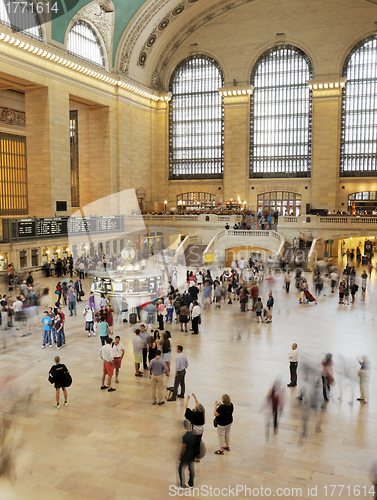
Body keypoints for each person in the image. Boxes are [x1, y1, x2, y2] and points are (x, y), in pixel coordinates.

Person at [185, 394, 205, 462]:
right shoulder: (202, 412)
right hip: (201, 429)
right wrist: (195, 398)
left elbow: (186, 407)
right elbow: (199, 406)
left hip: (195, 430)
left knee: (193, 443)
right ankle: (197, 456)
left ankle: (193, 455)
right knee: (198, 442)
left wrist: (187, 399)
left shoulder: (193, 414)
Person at [178, 420, 197, 488]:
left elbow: (183, 448)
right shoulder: (194, 433)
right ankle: (191, 482)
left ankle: (182, 483)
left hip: (186, 454)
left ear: (184, 426)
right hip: (192, 454)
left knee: (180, 468)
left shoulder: (185, 436)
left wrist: (180, 455)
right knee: (191, 468)